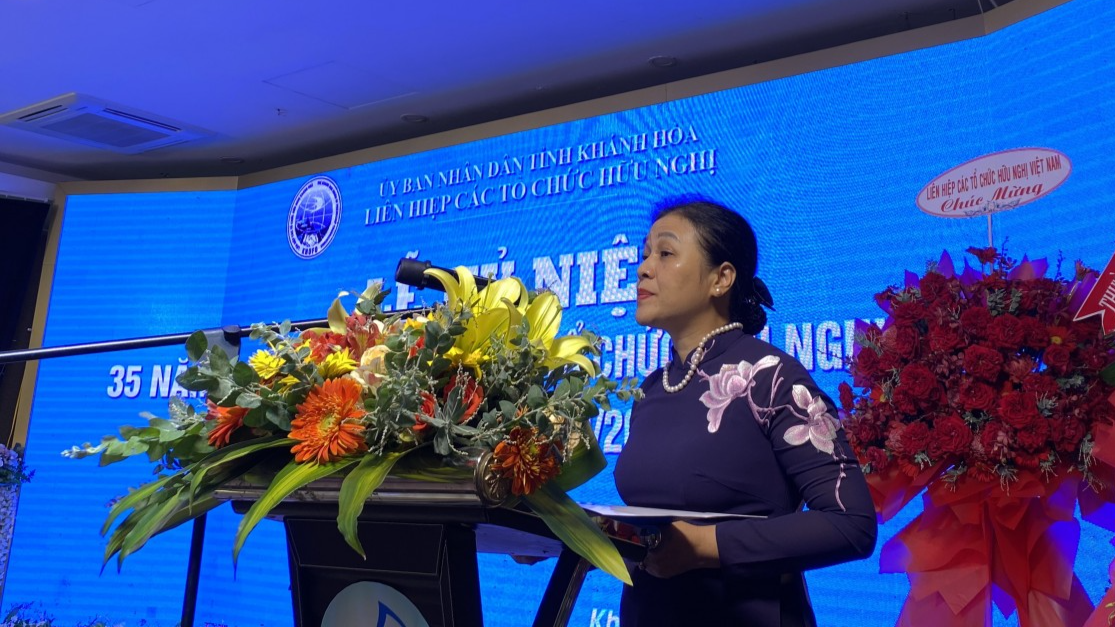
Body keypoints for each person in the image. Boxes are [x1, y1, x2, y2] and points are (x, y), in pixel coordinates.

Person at [613, 199, 877, 626]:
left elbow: (852, 524)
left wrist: (704, 547)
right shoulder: (651, 389)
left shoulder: (770, 377)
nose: (643, 269)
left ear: (721, 278)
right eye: (645, 254)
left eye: (665, 253)